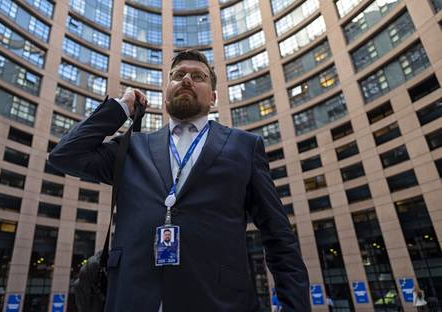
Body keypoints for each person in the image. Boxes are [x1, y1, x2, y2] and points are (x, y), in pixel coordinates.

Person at [49, 49, 310, 312]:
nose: (186, 79)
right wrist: (120, 107)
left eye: (198, 76)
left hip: (220, 302)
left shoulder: (245, 146)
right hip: (132, 300)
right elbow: (65, 156)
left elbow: (279, 237)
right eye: (178, 75)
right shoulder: (133, 147)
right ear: (167, 91)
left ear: (213, 97)